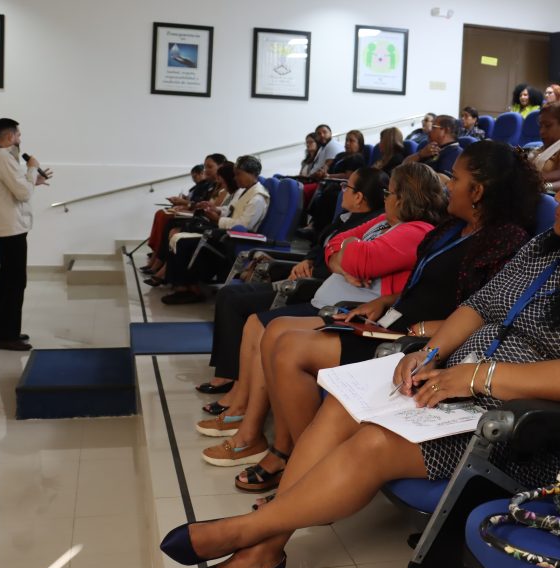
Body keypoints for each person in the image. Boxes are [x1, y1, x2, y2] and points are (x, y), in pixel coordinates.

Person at [160, 206, 560, 568]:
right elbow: (479, 307)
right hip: (453, 379)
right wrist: (430, 353)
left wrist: (477, 377)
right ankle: (267, 548)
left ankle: (242, 531)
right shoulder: (545, 245)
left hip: (520, 419)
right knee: (343, 404)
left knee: (375, 442)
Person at [213, 141, 537, 498]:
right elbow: (422, 284)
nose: (448, 186)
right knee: (276, 330)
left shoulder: (505, 240)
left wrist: (424, 331)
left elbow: (486, 312)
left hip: (417, 340)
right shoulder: (452, 227)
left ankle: (301, 466)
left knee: (290, 349)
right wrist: (385, 301)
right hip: (393, 321)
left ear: (476, 191)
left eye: (456, 179)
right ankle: (289, 453)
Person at [198, 163, 447, 473]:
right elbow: (335, 244)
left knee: (277, 336)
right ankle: (270, 440)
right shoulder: (385, 221)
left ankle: (291, 455)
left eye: (390, 192)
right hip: (335, 302)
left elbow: (358, 259)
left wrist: (348, 253)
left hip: (356, 312)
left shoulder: (416, 230)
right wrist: (345, 253)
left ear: (404, 197)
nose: (385, 198)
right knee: (270, 328)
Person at [196, 167, 388, 397]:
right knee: (228, 294)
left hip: (315, 285)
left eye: (347, 186)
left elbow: (345, 266)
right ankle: (230, 372)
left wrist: (313, 268)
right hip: (308, 274)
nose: (342, 190)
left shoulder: (372, 228)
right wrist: (307, 260)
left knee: (235, 303)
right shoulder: (344, 218)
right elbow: (320, 247)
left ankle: (232, 377)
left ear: (359, 197)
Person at [0, 118, 52, 351]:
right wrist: (32, 168)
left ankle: (4, 331)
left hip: (4, 226)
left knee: (7, 280)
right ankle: (8, 336)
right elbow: (22, 193)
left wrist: (33, 181)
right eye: (18, 135)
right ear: (10, 136)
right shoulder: (2, 157)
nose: (20, 139)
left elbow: (15, 187)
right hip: (11, 228)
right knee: (15, 282)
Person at [160, 156, 270, 304]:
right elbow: (231, 209)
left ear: (251, 173)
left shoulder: (258, 197)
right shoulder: (247, 190)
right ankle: (184, 286)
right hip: (228, 232)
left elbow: (244, 225)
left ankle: (189, 290)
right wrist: (216, 209)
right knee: (182, 237)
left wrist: (217, 219)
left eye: (238, 174)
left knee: (184, 242)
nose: (235, 178)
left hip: (236, 239)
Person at [142, 153, 227, 284]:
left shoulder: (224, 188)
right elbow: (202, 203)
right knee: (167, 219)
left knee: (173, 225)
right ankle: (158, 261)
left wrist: (186, 205)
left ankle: (162, 268)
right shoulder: (213, 185)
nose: (206, 171)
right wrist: (186, 205)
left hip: (211, 223)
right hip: (203, 217)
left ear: (221, 167)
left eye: (209, 167)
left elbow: (213, 208)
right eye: (205, 167)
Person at [529, 101, 560, 193]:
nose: (541, 131)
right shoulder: (540, 149)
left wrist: (545, 186)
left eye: (547, 126)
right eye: (540, 126)